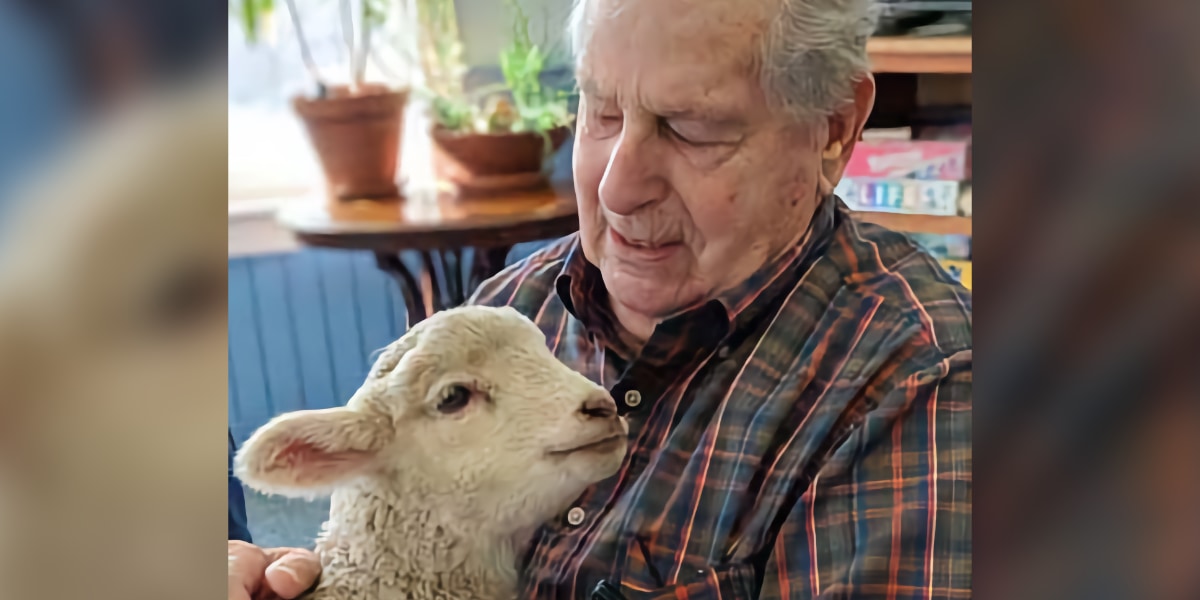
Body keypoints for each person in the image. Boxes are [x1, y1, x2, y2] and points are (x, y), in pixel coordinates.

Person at [228, 0, 973, 597]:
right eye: (601, 112)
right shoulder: (516, 307)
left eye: (692, 128)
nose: (616, 187)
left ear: (835, 129)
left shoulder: (918, 391)